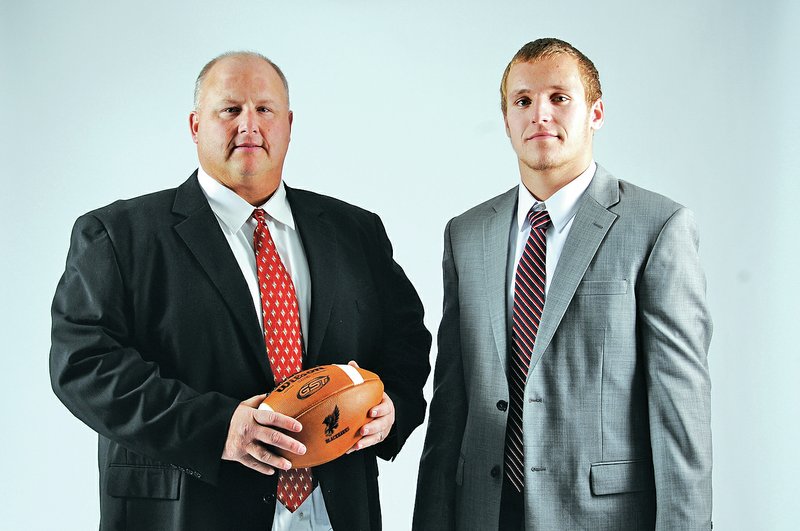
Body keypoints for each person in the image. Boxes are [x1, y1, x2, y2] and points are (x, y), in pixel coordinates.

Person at [50, 51, 431, 531]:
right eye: (229, 110)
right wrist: (218, 430)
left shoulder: (355, 231)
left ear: (288, 124)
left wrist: (390, 405)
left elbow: (406, 343)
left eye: (265, 110)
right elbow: (82, 364)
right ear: (194, 125)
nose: (249, 125)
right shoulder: (120, 235)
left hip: (336, 507)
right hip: (190, 510)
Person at [413, 38, 712, 530]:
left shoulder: (658, 227)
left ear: (596, 113)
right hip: (484, 513)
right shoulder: (466, 234)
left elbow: (682, 418)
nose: (540, 115)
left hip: (601, 516)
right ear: (507, 119)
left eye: (559, 98)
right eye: (523, 101)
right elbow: (451, 401)